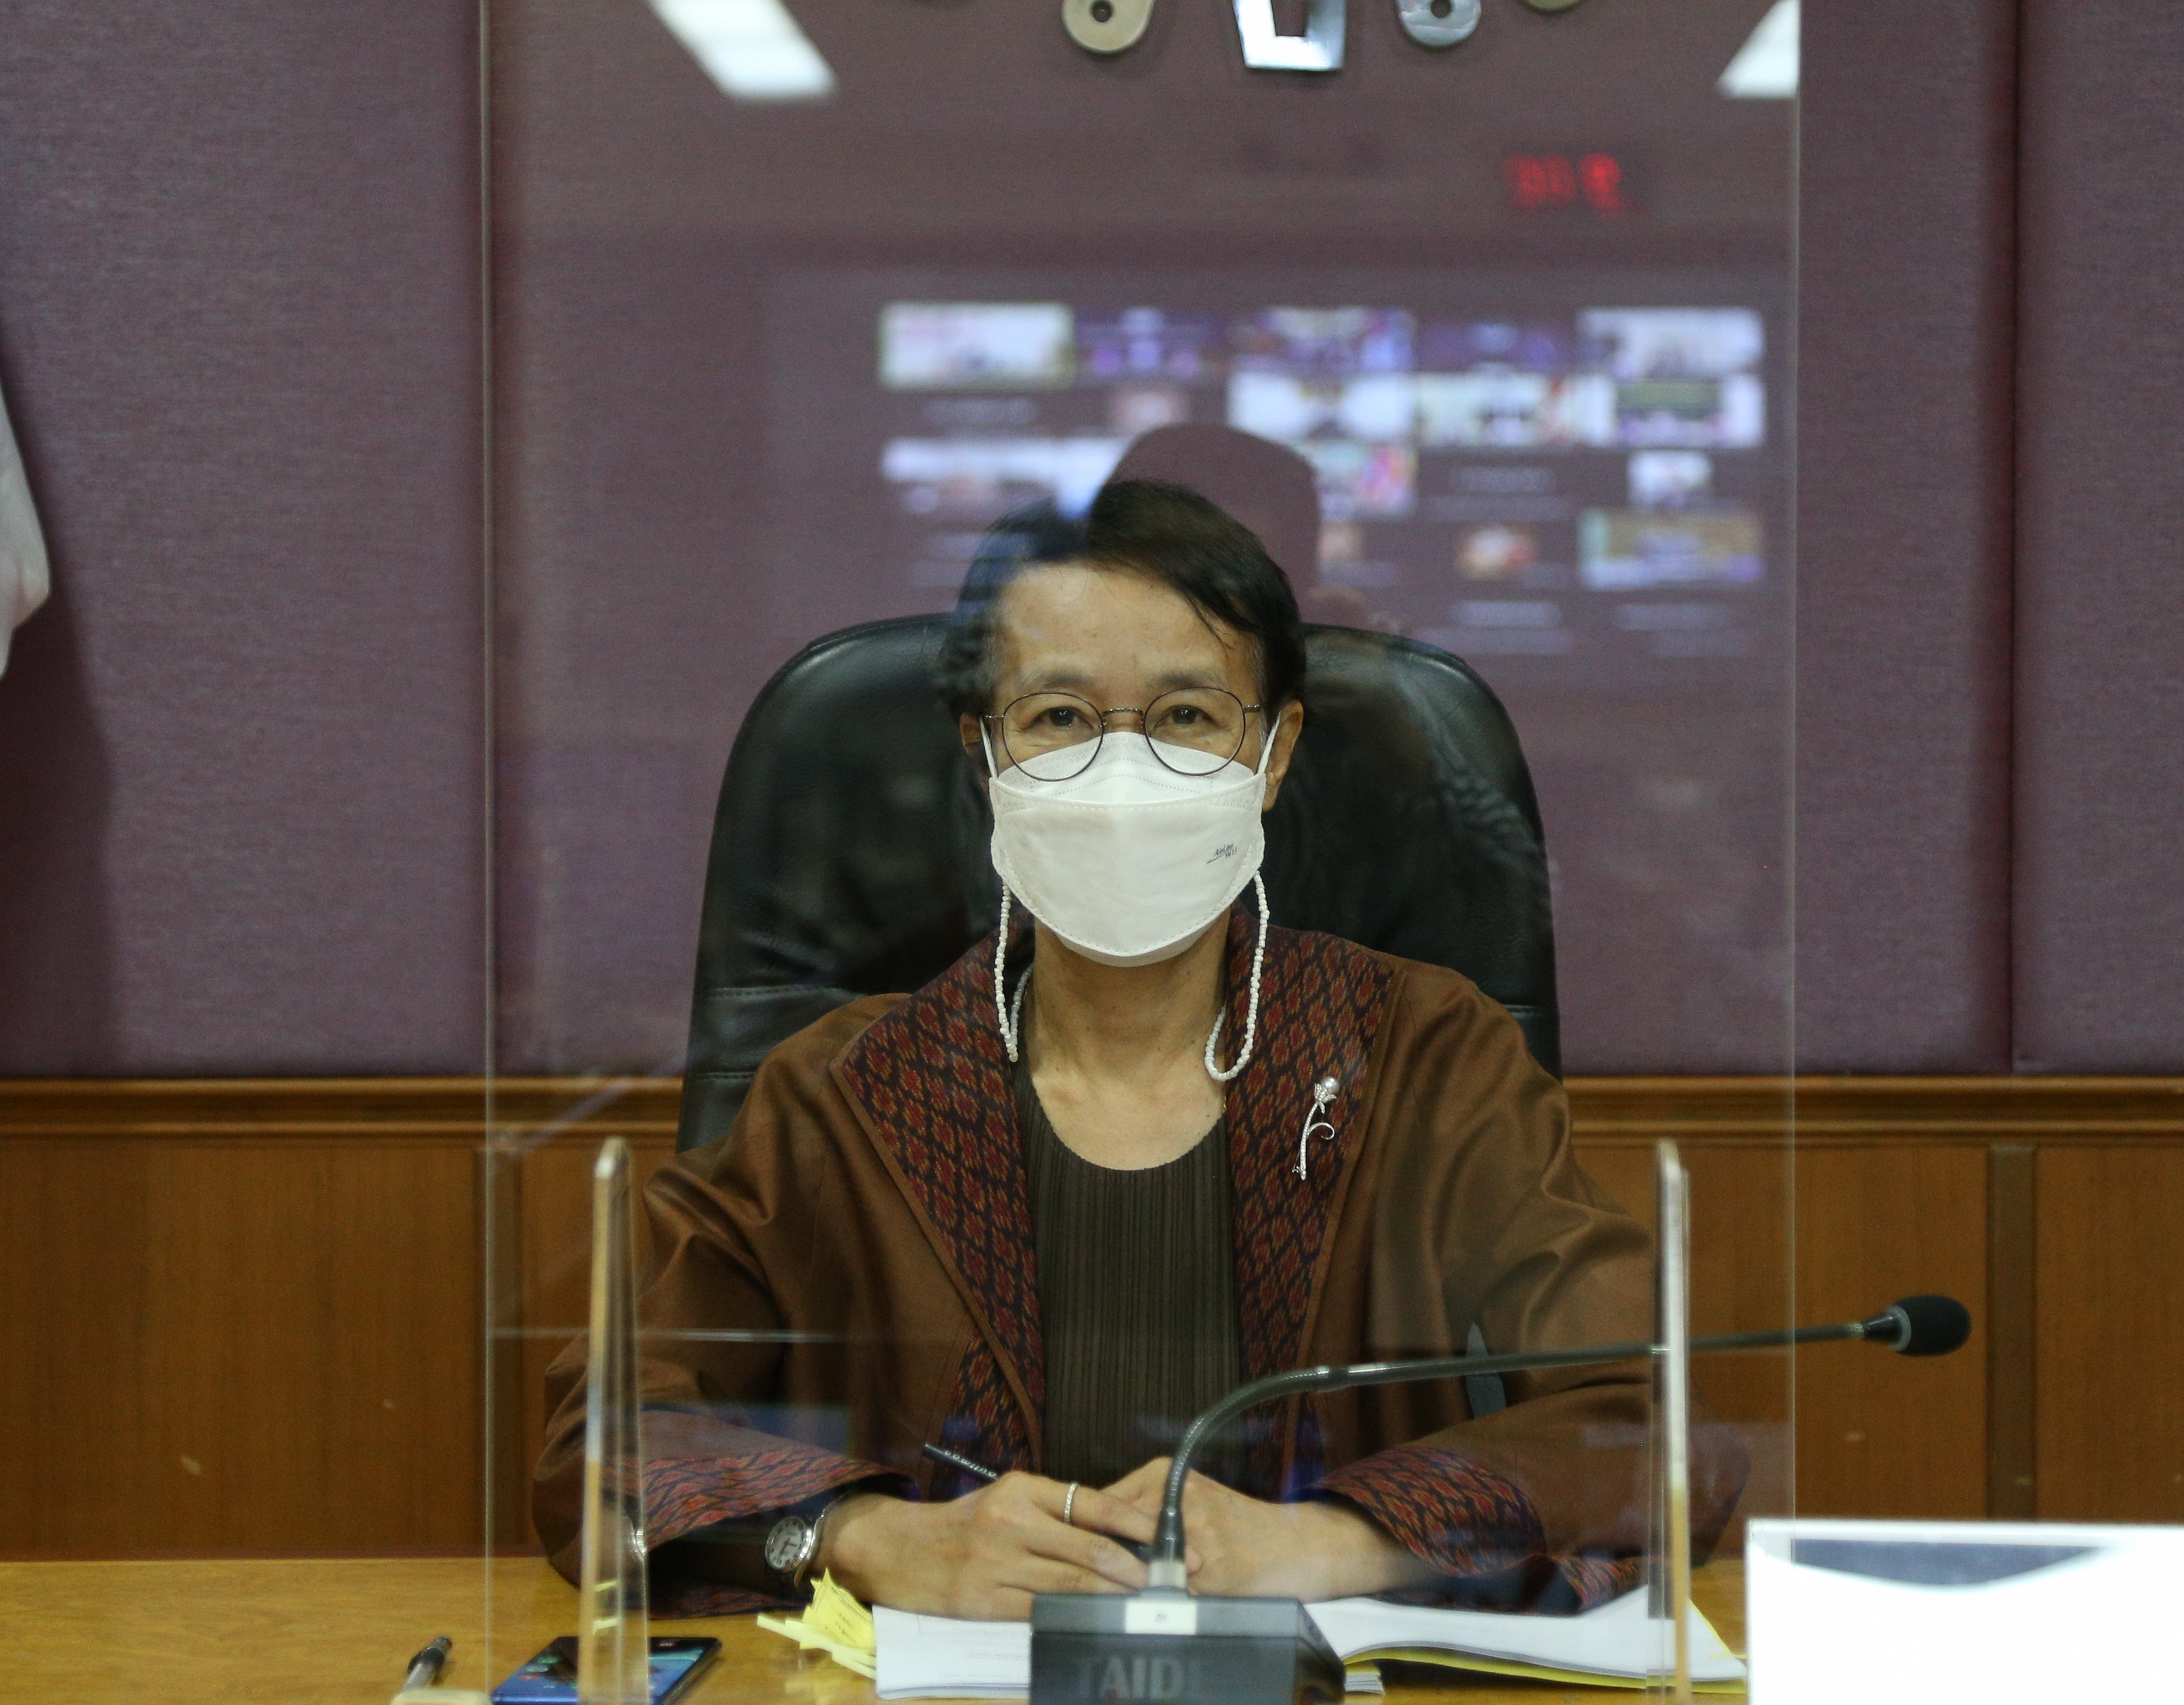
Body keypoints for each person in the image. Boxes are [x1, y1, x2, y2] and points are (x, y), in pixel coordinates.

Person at [532, 479, 1744, 1621]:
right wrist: (863, 1536)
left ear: (1274, 754)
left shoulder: (1425, 1054)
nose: (1124, 770)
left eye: (1187, 717)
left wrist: (1341, 1542)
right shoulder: (842, 1090)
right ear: (983, 753)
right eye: (1059, 717)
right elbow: (605, 1436)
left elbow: (1653, 1422)